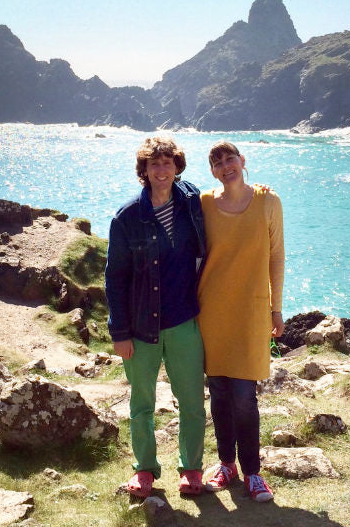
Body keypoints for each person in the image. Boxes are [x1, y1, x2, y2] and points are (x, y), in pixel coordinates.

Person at [105, 136, 208, 498]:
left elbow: (228, 200)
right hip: (140, 327)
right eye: (154, 164)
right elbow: (114, 277)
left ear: (177, 168)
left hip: (184, 322)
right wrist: (119, 332)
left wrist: (257, 189)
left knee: (193, 401)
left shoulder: (192, 203)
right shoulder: (127, 217)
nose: (161, 170)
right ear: (144, 172)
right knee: (142, 403)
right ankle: (144, 470)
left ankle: (192, 469)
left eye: (167, 163)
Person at [196, 140, 285, 502]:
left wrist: (275, 308)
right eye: (217, 162)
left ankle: (252, 472)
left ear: (242, 161)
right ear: (213, 170)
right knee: (218, 391)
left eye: (230, 158)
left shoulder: (268, 201)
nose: (225, 166)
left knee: (245, 396)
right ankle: (225, 464)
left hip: (251, 311)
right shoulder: (202, 203)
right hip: (211, 310)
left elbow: (276, 256)